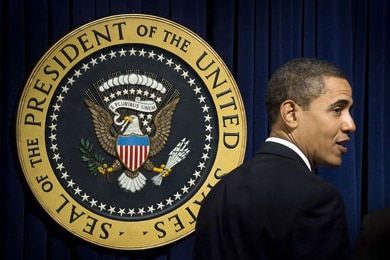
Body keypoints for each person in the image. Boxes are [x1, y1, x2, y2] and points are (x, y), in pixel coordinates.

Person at [192, 58, 356, 259]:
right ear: (291, 114)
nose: (350, 124)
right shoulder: (317, 198)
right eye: (337, 110)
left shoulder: (217, 195)